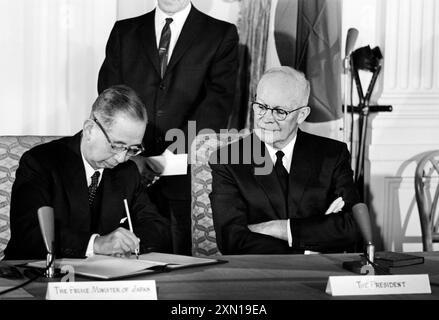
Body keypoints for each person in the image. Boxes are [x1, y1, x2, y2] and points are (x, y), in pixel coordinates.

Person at [98, 0, 239, 255]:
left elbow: (217, 104)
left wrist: (170, 156)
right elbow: (110, 96)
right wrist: (134, 156)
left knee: (177, 260)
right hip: (127, 169)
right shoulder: (124, 31)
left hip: (184, 173)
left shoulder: (220, 34)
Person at [5, 85, 172, 260]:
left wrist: (128, 244)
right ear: (89, 130)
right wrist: (97, 244)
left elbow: (158, 228)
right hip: (34, 276)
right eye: (117, 145)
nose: (122, 158)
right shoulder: (40, 162)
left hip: (106, 278)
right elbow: (28, 234)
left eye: (132, 149)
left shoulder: (126, 172)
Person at [209, 66, 363, 254]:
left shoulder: (332, 155)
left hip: (322, 274)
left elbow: (353, 227)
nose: (266, 119)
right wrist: (310, 241)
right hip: (259, 275)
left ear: (302, 115)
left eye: (279, 111)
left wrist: (276, 229)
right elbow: (231, 239)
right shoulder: (228, 160)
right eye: (261, 107)